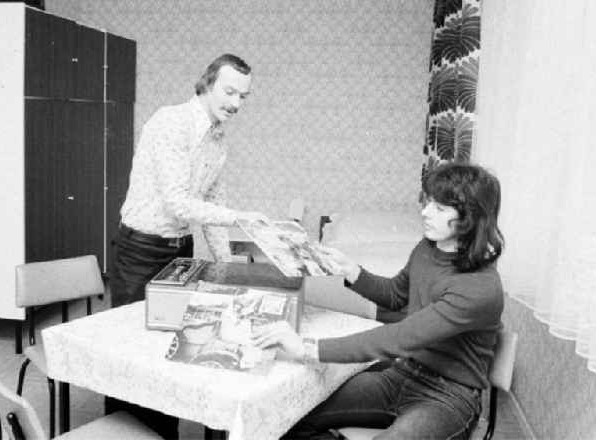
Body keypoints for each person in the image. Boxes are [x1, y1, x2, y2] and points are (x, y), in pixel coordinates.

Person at [253, 162, 505, 440]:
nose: (425, 213)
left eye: (439, 208)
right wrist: (353, 271)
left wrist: (305, 348)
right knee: (291, 416)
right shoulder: (427, 248)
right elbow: (396, 295)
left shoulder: (480, 288)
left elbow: (399, 336)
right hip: (403, 373)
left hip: (449, 397)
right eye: (428, 203)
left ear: (470, 217)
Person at [107, 53, 269, 438]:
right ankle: (122, 431)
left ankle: (163, 433)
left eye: (243, 96)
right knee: (132, 351)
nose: (235, 103)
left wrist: (228, 267)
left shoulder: (217, 139)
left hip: (179, 249)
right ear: (207, 83)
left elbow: (212, 208)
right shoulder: (171, 123)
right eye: (229, 91)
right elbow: (177, 202)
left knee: (169, 349)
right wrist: (242, 218)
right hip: (141, 249)